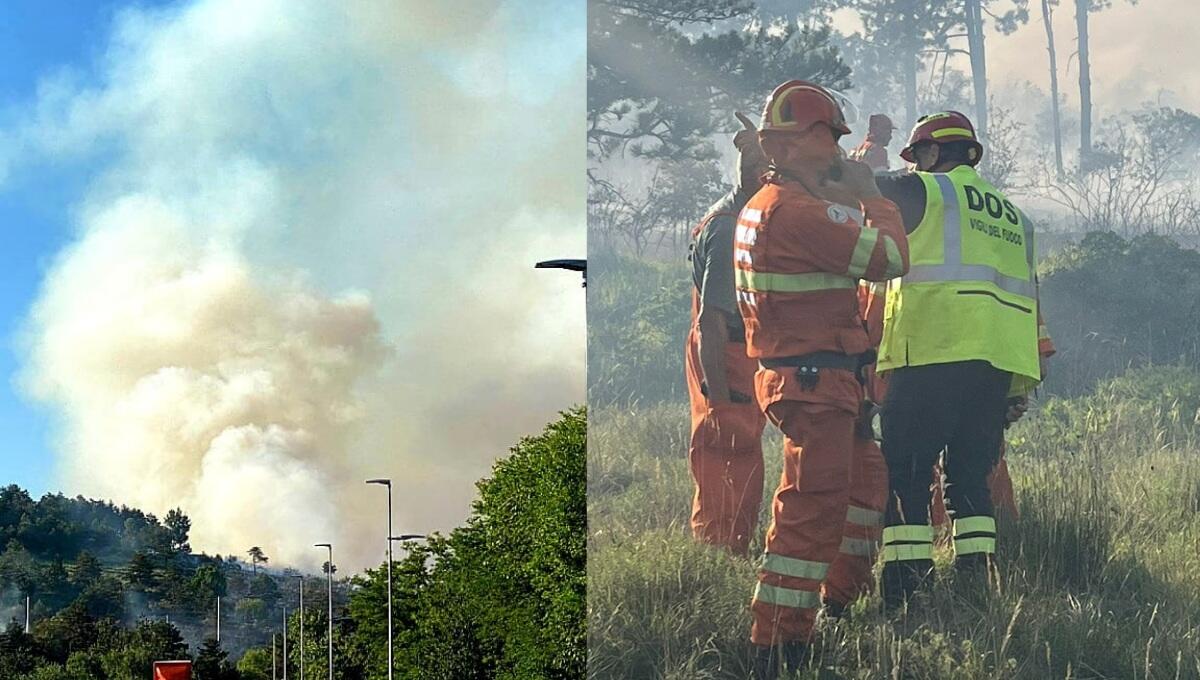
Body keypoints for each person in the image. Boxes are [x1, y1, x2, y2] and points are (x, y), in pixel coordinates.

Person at [734, 80, 908, 676]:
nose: (834, 148)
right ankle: (778, 643)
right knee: (813, 506)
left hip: (826, 378)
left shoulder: (775, 203)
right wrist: (873, 199)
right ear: (781, 146)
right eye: (822, 137)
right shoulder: (794, 212)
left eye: (835, 137)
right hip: (813, 379)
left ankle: (839, 599)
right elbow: (888, 259)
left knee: (864, 489)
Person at [871, 111, 1044, 610]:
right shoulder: (1015, 218)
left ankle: (908, 588)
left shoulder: (929, 192)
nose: (916, 166)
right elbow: (1026, 301)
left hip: (932, 350)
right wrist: (1018, 384)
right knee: (970, 477)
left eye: (918, 156)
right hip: (993, 367)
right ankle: (976, 580)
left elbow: (859, 182)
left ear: (933, 153)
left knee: (906, 470)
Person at [684, 112, 770, 556]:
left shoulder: (742, 212)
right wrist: (719, 395)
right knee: (728, 446)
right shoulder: (730, 227)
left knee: (741, 449)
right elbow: (711, 321)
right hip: (725, 351)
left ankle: (731, 542)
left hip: (740, 347)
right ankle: (722, 548)